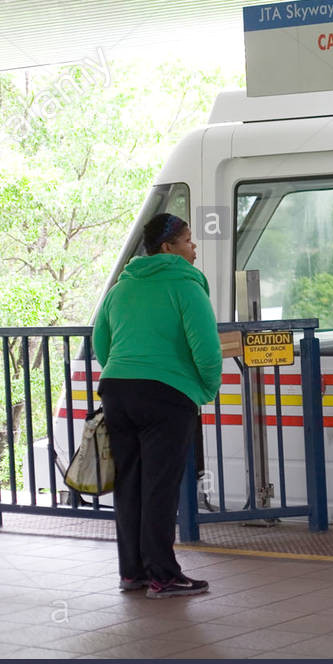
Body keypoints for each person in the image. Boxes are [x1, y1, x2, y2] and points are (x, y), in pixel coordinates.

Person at [92, 213, 222, 598]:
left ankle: (133, 572)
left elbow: (102, 340)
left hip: (117, 389)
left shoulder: (121, 288)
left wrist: (125, 370)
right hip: (166, 394)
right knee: (160, 488)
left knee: (129, 483)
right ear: (168, 248)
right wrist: (205, 389)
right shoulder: (186, 286)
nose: (194, 247)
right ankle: (164, 575)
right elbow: (206, 347)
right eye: (187, 241)